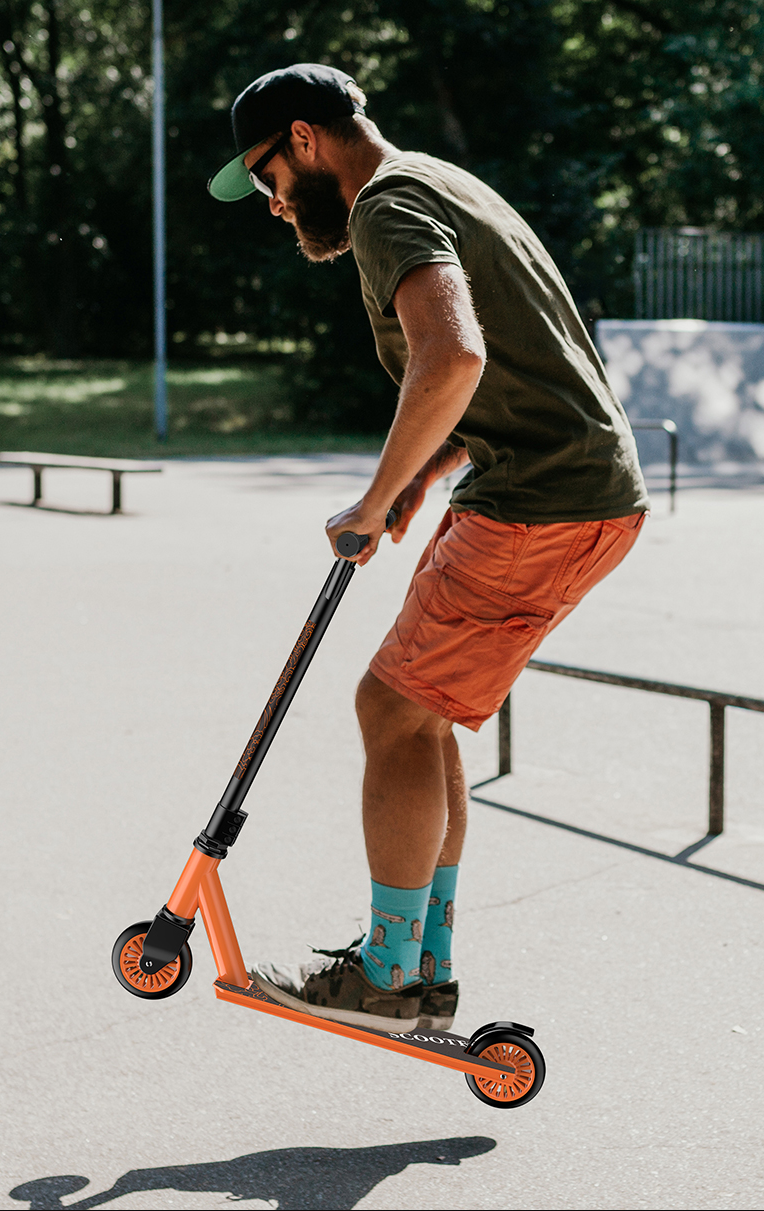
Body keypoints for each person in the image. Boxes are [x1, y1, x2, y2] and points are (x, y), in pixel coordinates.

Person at [209, 63, 649, 1033]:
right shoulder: (441, 182)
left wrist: (372, 498)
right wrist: (417, 474)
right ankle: (421, 967)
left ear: (304, 139)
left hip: (541, 500)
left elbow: (453, 355)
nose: (274, 207)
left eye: (268, 178)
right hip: (555, 488)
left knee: (391, 709)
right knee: (424, 715)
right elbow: (513, 365)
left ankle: (387, 975)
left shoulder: (386, 208)